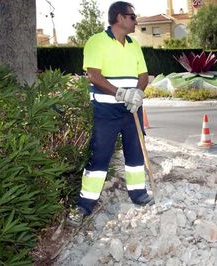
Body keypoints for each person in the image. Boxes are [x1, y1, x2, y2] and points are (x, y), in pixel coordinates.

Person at [67, 1, 153, 226]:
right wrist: (121, 93)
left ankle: (138, 193)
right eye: (133, 17)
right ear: (120, 18)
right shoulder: (96, 42)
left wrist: (137, 93)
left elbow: (143, 75)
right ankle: (84, 205)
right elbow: (93, 75)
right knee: (100, 156)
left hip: (132, 108)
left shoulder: (134, 44)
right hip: (106, 110)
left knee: (135, 153)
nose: (136, 20)